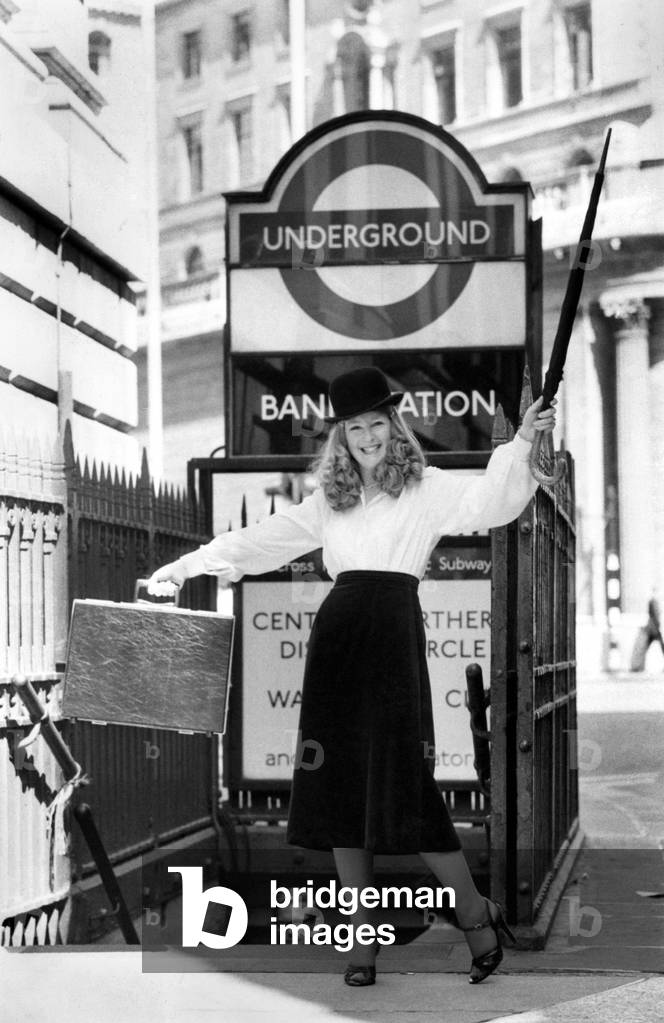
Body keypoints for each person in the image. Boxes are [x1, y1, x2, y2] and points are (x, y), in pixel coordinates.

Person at [148, 367, 556, 987]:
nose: (368, 437)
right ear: (341, 437)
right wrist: (184, 568)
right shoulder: (328, 503)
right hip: (337, 645)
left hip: (393, 640)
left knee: (407, 786)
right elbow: (260, 541)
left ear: (395, 429)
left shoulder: (427, 488)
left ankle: (476, 913)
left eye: (377, 424)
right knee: (340, 791)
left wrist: (524, 438)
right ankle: (363, 945)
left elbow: (494, 498)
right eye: (356, 427)